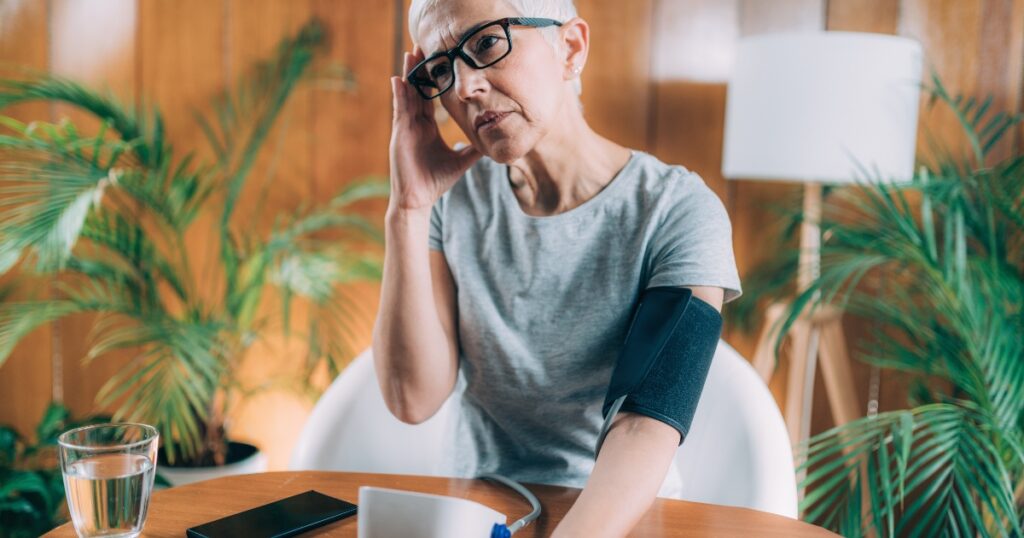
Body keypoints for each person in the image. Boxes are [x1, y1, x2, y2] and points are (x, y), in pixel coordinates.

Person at [372, 0, 742, 534]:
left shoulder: (678, 211)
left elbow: (647, 422)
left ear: (570, 48)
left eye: (485, 43)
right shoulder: (451, 201)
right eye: (440, 69)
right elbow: (413, 399)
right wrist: (408, 209)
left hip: (613, 514)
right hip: (474, 513)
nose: (465, 88)